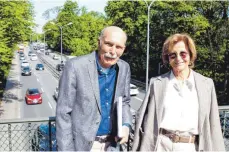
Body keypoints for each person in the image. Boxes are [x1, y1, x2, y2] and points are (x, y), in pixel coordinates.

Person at [132, 33, 225, 151]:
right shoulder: (156, 83)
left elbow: (214, 124)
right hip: (161, 146)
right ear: (168, 58)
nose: (178, 59)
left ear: (191, 55)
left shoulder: (206, 84)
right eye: (173, 55)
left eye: (183, 53)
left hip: (191, 147)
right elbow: (142, 118)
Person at [56, 26, 132, 151]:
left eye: (118, 47)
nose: (113, 51)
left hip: (113, 145)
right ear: (99, 42)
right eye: (109, 44)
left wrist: (126, 125)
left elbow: (124, 101)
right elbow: (63, 113)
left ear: (123, 49)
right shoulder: (75, 66)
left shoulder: (124, 68)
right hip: (85, 146)